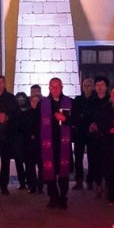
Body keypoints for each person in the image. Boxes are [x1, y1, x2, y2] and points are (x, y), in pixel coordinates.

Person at [40, 77, 74, 209]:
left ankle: (63, 198)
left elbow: (76, 120)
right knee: (50, 172)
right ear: (48, 88)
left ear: (62, 87)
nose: (55, 89)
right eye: (52, 87)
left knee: (63, 173)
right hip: (48, 144)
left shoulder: (69, 102)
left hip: (63, 144)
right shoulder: (43, 103)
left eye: (57, 86)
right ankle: (53, 197)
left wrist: (65, 118)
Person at [86, 76, 111, 196]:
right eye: (97, 85)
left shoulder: (111, 101)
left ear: (106, 87)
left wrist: (100, 126)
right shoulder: (91, 102)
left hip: (107, 137)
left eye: (102, 85)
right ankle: (98, 185)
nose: (100, 88)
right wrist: (90, 124)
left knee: (107, 161)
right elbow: (86, 117)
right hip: (94, 138)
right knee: (95, 162)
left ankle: (108, 184)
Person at [71, 78, 94, 190]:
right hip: (79, 132)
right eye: (85, 85)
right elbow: (75, 114)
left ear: (93, 86)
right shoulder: (78, 99)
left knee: (92, 157)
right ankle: (79, 180)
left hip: (91, 132)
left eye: (89, 85)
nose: (87, 87)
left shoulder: (95, 100)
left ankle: (90, 180)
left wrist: (83, 117)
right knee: (78, 157)